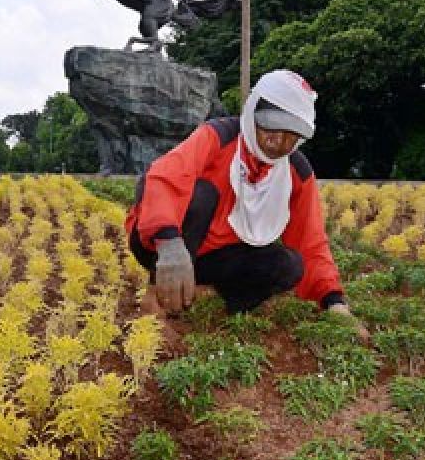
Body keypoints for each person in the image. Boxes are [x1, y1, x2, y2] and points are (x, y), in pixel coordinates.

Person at [125, 69, 366, 335]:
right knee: (201, 195)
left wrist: (334, 302)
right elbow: (162, 178)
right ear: (252, 113)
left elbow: (311, 241)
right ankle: (157, 296)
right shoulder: (218, 136)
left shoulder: (296, 172)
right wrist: (169, 245)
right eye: (270, 127)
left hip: (218, 257)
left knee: (289, 265)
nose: (278, 142)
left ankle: (212, 295)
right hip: (166, 245)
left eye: (291, 134)